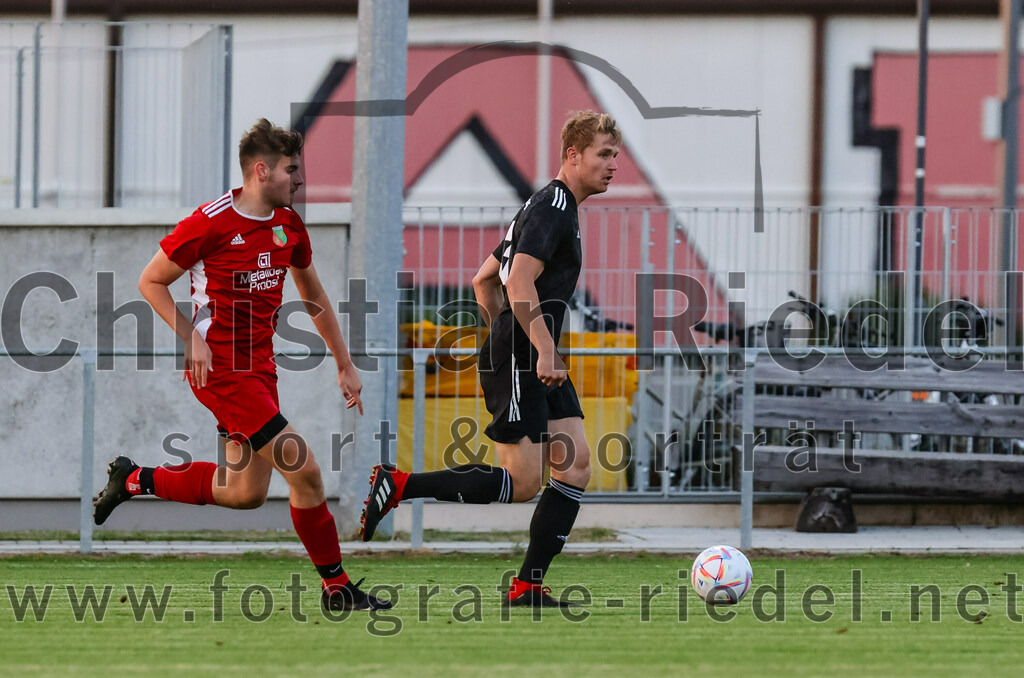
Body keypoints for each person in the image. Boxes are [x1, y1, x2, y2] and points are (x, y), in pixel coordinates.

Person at [93, 119, 390, 612]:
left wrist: (343, 363)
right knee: (308, 471)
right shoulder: (210, 223)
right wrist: (191, 339)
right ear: (261, 170)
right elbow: (150, 281)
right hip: (222, 372)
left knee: (244, 493)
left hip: (260, 371)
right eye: (291, 171)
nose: (299, 181)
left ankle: (133, 479)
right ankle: (336, 589)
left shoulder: (287, 224)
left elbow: (312, 295)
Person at [359, 110, 620, 607]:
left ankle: (528, 587)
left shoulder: (550, 205)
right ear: (573, 154)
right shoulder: (553, 207)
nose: (612, 166)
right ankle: (399, 484)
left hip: (530, 351)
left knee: (577, 466)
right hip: (529, 355)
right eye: (604, 154)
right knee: (523, 483)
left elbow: (485, 279)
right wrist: (532, 347)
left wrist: (508, 335)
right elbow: (517, 281)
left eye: (615, 156)